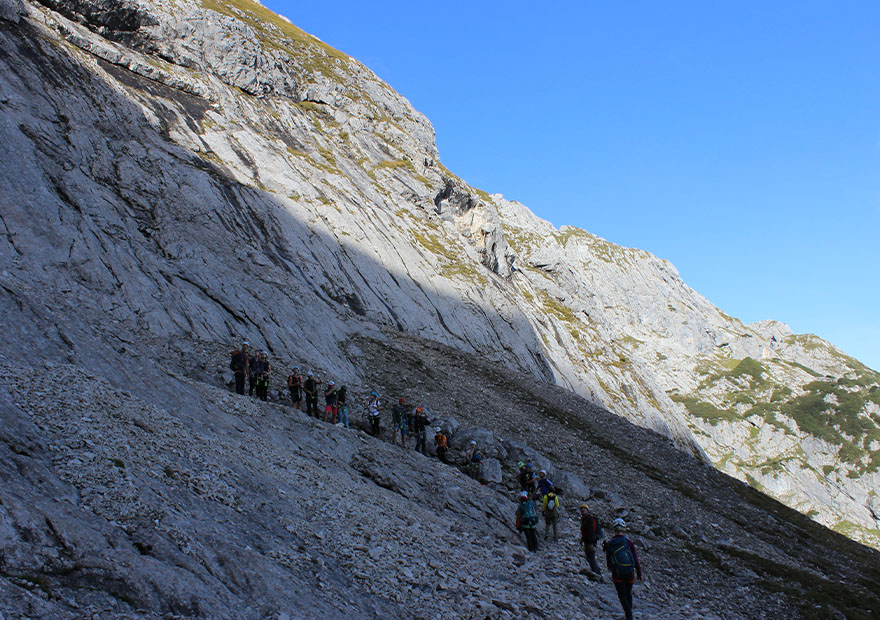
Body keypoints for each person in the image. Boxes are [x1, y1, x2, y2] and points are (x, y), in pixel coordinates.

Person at [604, 518, 642, 620]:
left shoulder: (610, 543)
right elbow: (635, 558)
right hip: (629, 572)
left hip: (617, 573)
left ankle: (628, 615)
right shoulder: (628, 542)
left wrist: (610, 568)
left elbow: (608, 558)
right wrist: (639, 573)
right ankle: (629, 615)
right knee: (628, 593)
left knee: (622, 595)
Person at [579, 504, 604, 580]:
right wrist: (582, 539)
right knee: (590, 558)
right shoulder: (584, 519)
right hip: (588, 542)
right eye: (582, 509)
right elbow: (585, 532)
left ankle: (598, 575)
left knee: (591, 558)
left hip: (590, 542)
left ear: (587, 510)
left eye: (584, 509)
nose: (583, 510)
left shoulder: (589, 519)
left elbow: (591, 532)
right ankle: (596, 573)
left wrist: (591, 544)